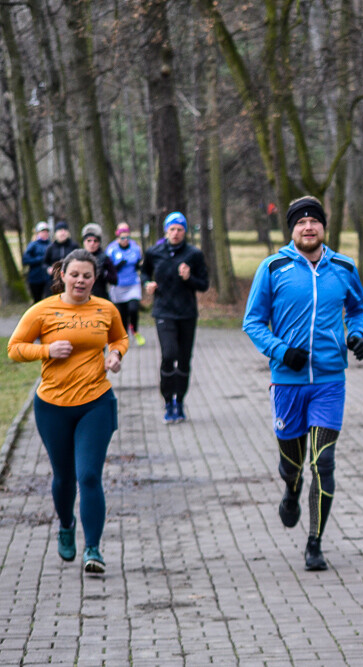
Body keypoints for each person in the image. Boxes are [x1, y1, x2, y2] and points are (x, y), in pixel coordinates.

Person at [243, 195, 363, 571]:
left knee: (324, 462)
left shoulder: (343, 266)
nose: (308, 227)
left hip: (330, 380)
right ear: (292, 229)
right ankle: (290, 489)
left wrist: (357, 335)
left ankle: (314, 541)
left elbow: (357, 308)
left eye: (314, 221)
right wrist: (282, 352)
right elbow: (253, 321)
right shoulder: (273, 267)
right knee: (292, 464)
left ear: (324, 228)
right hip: (288, 382)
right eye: (301, 222)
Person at [7, 249, 128, 575]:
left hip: (96, 402)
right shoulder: (43, 310)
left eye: (87, 276)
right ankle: (65, 523)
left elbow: (119, 338)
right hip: (53, 406)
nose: (81, 281)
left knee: (89, 475)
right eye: (75, 274)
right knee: (64, 477)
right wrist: (47, 349)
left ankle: (93, 549)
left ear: (95, 278)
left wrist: (115, 355)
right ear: (62, 274)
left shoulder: (106, 309)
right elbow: (15, 349)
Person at [140, 212, 209, 424]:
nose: (176, 233)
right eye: (172, 229)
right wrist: (147, 284)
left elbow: (204, 284)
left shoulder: (194, 254)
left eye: (180, 229)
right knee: (169, 355)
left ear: (185, 231)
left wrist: (189, 278)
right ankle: (168, 400)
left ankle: (180, 402)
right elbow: (144, 273)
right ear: (166, 231)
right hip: (163, 311)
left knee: (184, 360)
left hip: (187, 313)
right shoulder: (154, 252)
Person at [106, 222, 145, 346]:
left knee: (133, 308)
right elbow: (108, 268)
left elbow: (140, 263)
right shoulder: (111, 249)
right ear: (118, 237)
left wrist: (141, 266)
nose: (125, 240)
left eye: (127, 237)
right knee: (121, 313)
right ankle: (124, 336)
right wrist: (117, 266)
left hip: (133, 283)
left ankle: (136, 331)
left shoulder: (135, 247)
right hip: (118, 285)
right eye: (122, 238)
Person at [80, 223, 118, 300]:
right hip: (82, 297)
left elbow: (115, 280)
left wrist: (104, 274)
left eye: (95, 241)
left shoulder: (104, 258)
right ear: (84, 242)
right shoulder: (78, 258)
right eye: (89, 241)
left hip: (100, 297)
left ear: (99, 243)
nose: (92, 244)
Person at [22, 221, 51, 302]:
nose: (45, 233)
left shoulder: (51, 245)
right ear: (38, 233)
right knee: (37, 301)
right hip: (35, 278)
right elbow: (25, 260)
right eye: (43, 231)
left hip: (48, 279)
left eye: (46, 231)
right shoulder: (33, 245)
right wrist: (40, 259)